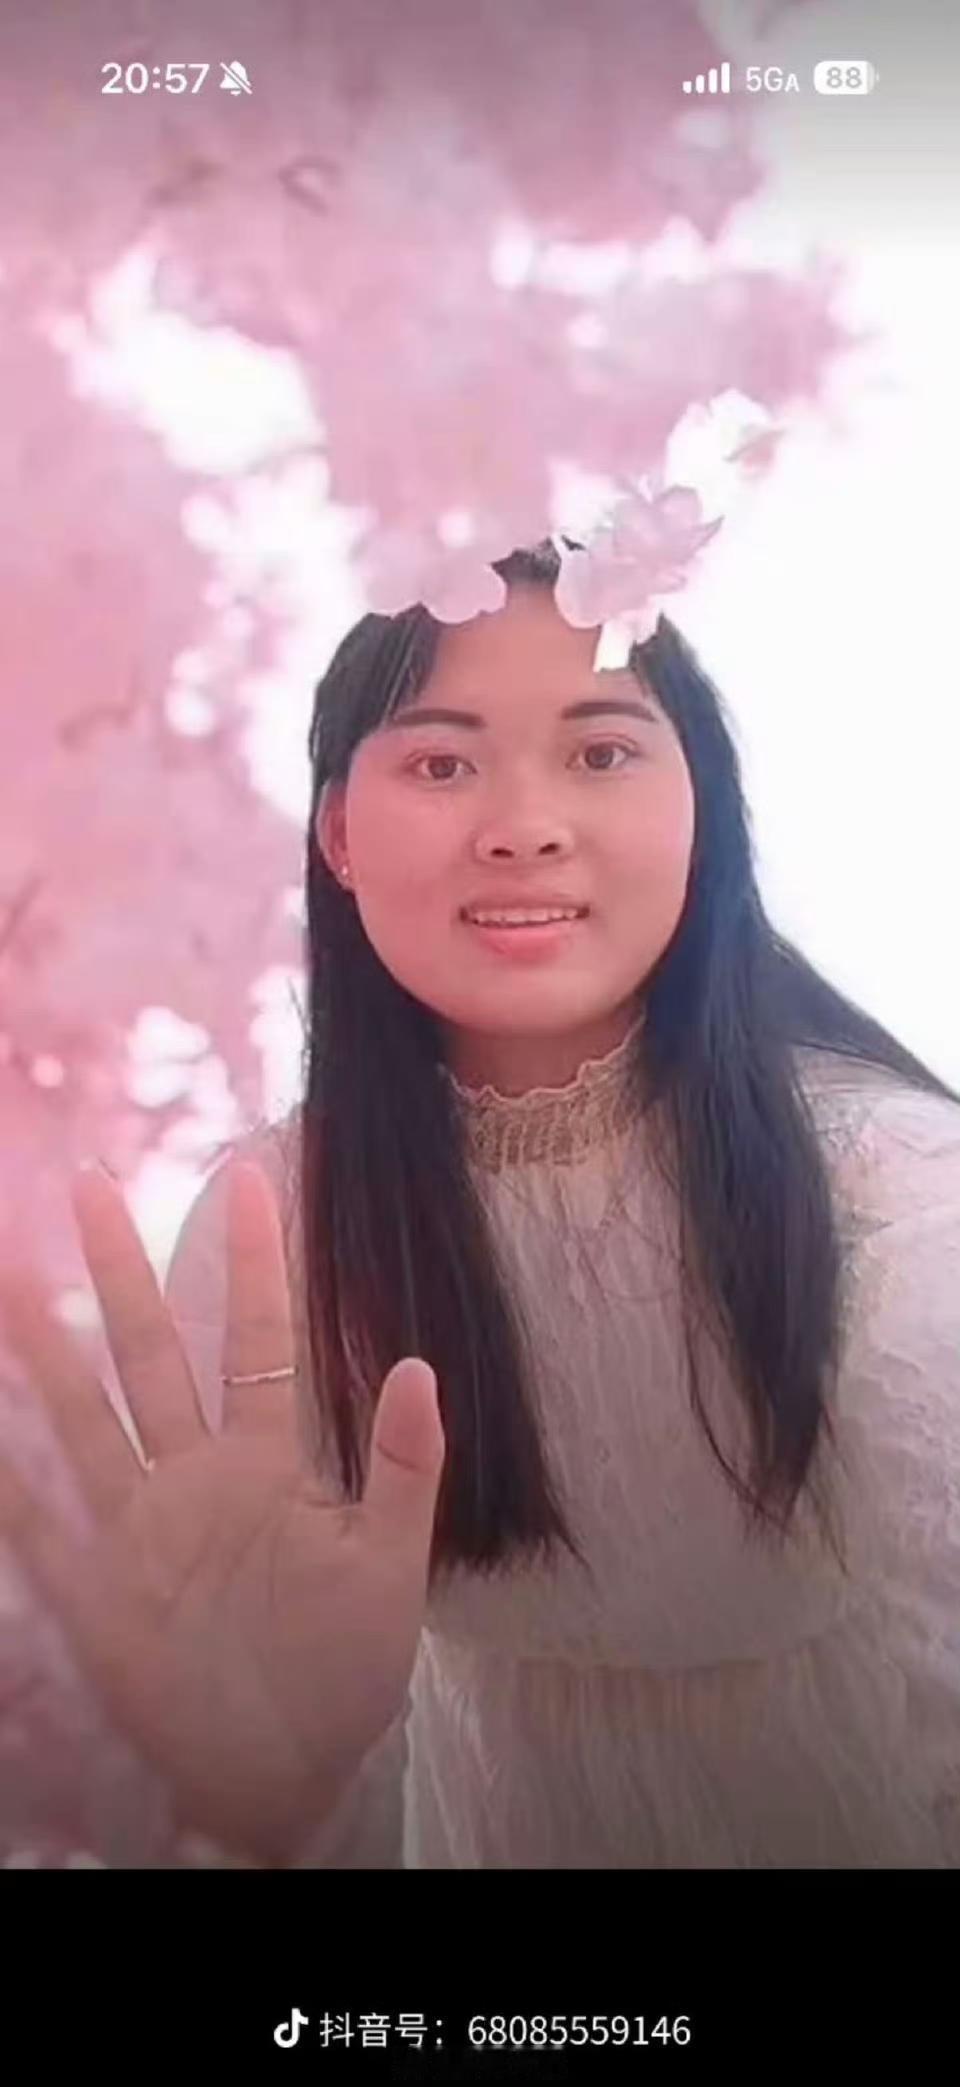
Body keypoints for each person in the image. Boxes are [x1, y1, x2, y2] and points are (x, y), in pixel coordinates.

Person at [2, 539, 959, 1867]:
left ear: (704, 812)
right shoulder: (274, 1226)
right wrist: (267, 1804)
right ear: (339, 835)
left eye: (601, 752)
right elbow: (292, 1748)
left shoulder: (897, 1194)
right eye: (442, 765)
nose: (523, 825)